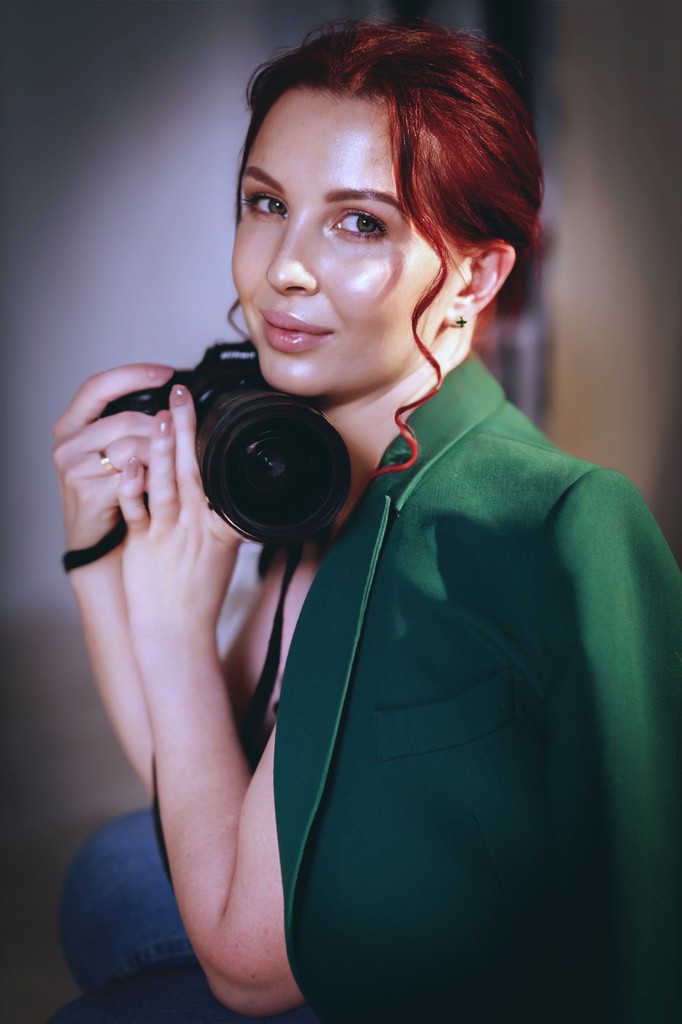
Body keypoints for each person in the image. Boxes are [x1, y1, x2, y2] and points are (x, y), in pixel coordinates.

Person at [49, 19, 680, 1024]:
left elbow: (247, 966)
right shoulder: (311, 465)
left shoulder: (562, 524)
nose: (285, 269)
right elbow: (198, 777)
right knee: (111, 870)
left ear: (474, 276)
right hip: (313, 935)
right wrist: (97, 555)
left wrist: (171, 624)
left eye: (359, 224)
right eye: (266, 204)